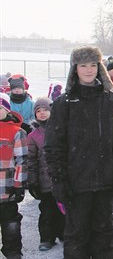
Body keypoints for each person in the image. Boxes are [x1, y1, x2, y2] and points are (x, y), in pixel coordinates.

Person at [45, 45, 113, 259]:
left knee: (106, 237)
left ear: (99, 67)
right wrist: (59, 181)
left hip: (106, 184)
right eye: (83, 65)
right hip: (76, 185)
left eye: (93, 65)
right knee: (76, 238)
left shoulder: (111, 101)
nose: (89, 70)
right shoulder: (63, 104)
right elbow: (54, 147)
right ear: (75, 69)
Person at [26, 97, 65, 252]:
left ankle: (63, 233)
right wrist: (33, 181)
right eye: (38, 111)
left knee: (63, 209)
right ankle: (47, 238)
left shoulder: (61, 130)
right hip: (44, 181)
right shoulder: (33, 136)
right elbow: (31, 160)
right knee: (47, 210)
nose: (42, 113)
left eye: (45, 110)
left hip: (61, 179)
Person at [0, 92, 28, 259]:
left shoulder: (16, 132)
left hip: (7, 189)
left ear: (7, 110)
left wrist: (19, 186)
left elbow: (22, 161)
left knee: (10, 222)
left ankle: (12, 251)